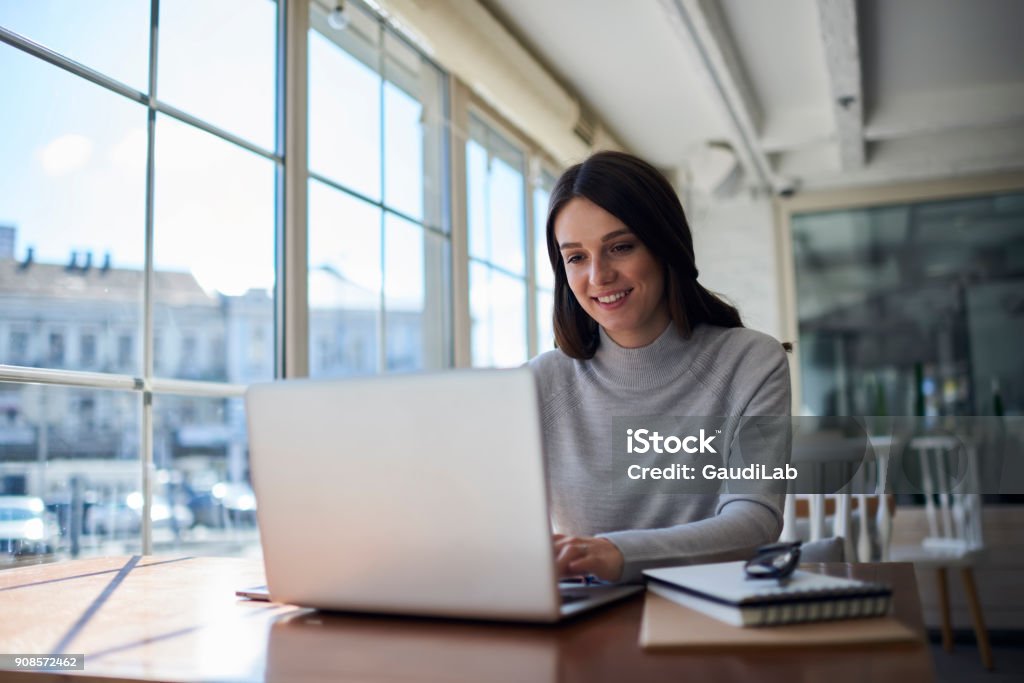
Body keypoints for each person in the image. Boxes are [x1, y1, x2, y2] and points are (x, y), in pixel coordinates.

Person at [528, 151, 790, 583]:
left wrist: (616, 552)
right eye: (576, 257)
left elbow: (755, 520)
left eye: (621, 247)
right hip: (584, 619)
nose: (599, 275)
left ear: (665, 245)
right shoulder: (539, 382)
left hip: (710, 613)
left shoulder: (751, 362)